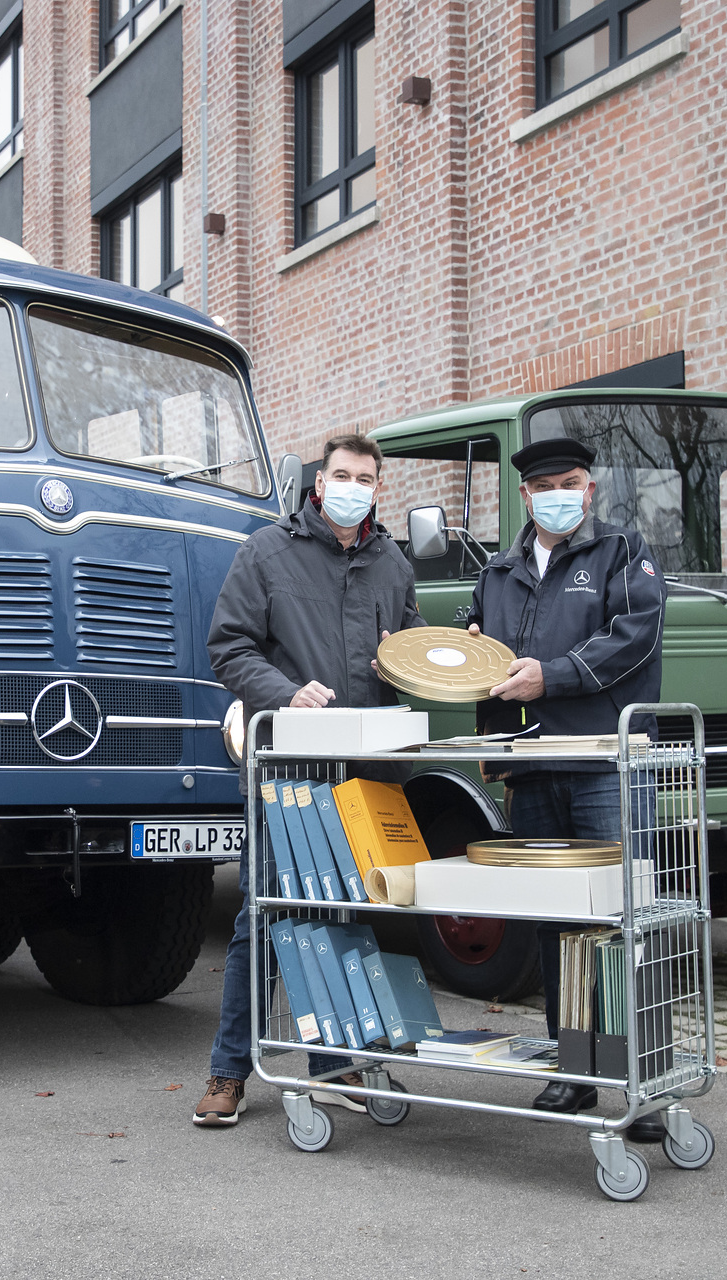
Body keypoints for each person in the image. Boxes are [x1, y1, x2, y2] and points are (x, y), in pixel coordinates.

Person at [191, 433, 427, 1128]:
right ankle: (229, 1071)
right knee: (261, 918)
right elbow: (227, 646)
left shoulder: (394, 566)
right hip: (287, 772)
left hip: (364, 776)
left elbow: (407, 657)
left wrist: (417, 664)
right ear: (318, 483)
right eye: (341, 474)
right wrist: (284, 692)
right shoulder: (266, 553)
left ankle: (333, 1067)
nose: (353, 486)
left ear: (377, 488)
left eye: (366, 477)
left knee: (349, 915)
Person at [463, 436, 669, 1143]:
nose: (560, 493)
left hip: (603, 766)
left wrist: (553, 676)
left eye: (573, 481)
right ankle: (575, 1067)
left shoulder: (622, 552)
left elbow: (635, 637)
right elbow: (483, 659)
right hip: (533, 769)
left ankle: (645, 1081)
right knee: (556, 925)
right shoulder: (496, 572)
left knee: (623, 919)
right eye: (545, 484)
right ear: (525, 495)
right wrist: (492, 740)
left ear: (590, 488)